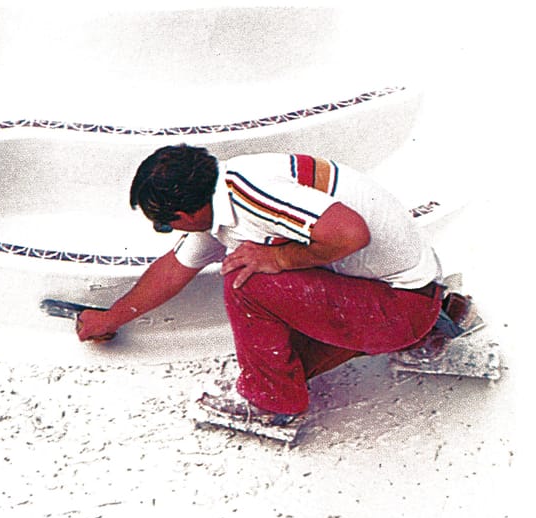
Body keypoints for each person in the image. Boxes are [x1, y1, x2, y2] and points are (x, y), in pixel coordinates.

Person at [75, 145, 472, 428]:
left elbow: (352, 233)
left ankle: (271, 403)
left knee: (246, 278)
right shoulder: (225, 195)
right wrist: (111, 317)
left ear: (185, 212)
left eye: (165, 224)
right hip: (409, 292)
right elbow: (173, 269)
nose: (166, 232)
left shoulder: (253, 195)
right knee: (285, 355)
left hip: (399, 307)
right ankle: (434, 323)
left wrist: (278, 259)